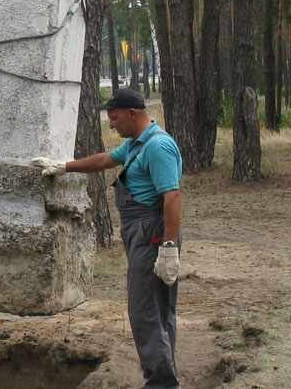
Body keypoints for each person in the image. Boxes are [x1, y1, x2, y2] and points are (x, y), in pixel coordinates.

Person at [33, 88, 183, 389]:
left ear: (133, 114)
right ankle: (164, 374)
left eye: (115, 119)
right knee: (157, 306)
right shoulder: (135, 145)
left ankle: (162, 382)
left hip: (151, 232)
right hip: (142, 231)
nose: (112, 125)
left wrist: (167, 247)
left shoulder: (157, 147)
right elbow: (104, 160)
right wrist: (63, 167)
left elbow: (173, 197)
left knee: (144, 309)